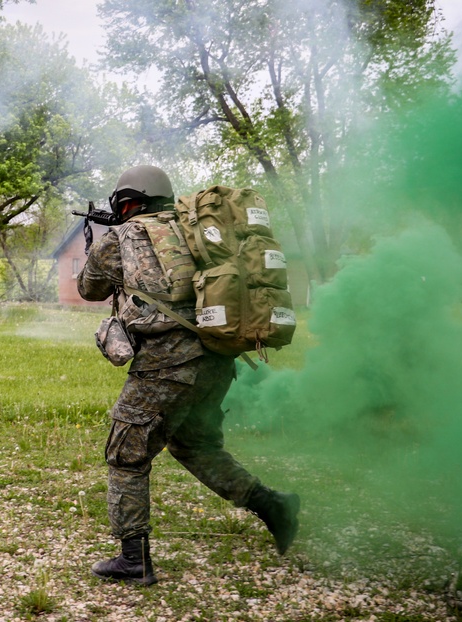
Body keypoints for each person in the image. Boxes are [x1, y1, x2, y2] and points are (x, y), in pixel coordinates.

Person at [77, 165, 300, 586]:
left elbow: (90, 289)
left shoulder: (121, 237)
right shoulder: (194, 230)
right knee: (194, 445)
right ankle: (275, 507)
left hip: (166, 364)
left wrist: (96, 244)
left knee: (126, 452)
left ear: (126, 203)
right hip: (216, 356)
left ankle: (133, 559)